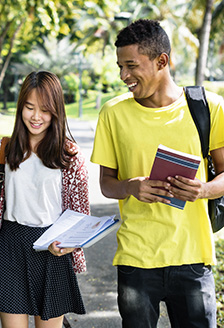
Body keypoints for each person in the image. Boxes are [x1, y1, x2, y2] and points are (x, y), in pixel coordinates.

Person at [91, 19, 224, 328]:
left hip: (192, 258)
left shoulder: (208, 107)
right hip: (136, 260)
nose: (124, 76)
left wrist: (203, 190)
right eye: (120, 67)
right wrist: (130, 187)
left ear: (162, 61)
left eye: (131, 66)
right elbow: (106, 185)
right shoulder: (113, 113)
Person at [0, 71, 89, 328]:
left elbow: (81, 215)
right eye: (29, 107)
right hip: (11, 247)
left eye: (45, 110)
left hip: (52, 250)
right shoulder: (4, 150)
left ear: (56, 111)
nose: (36, 117)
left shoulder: (69, 155)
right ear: (20, 107)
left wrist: (69, 245)